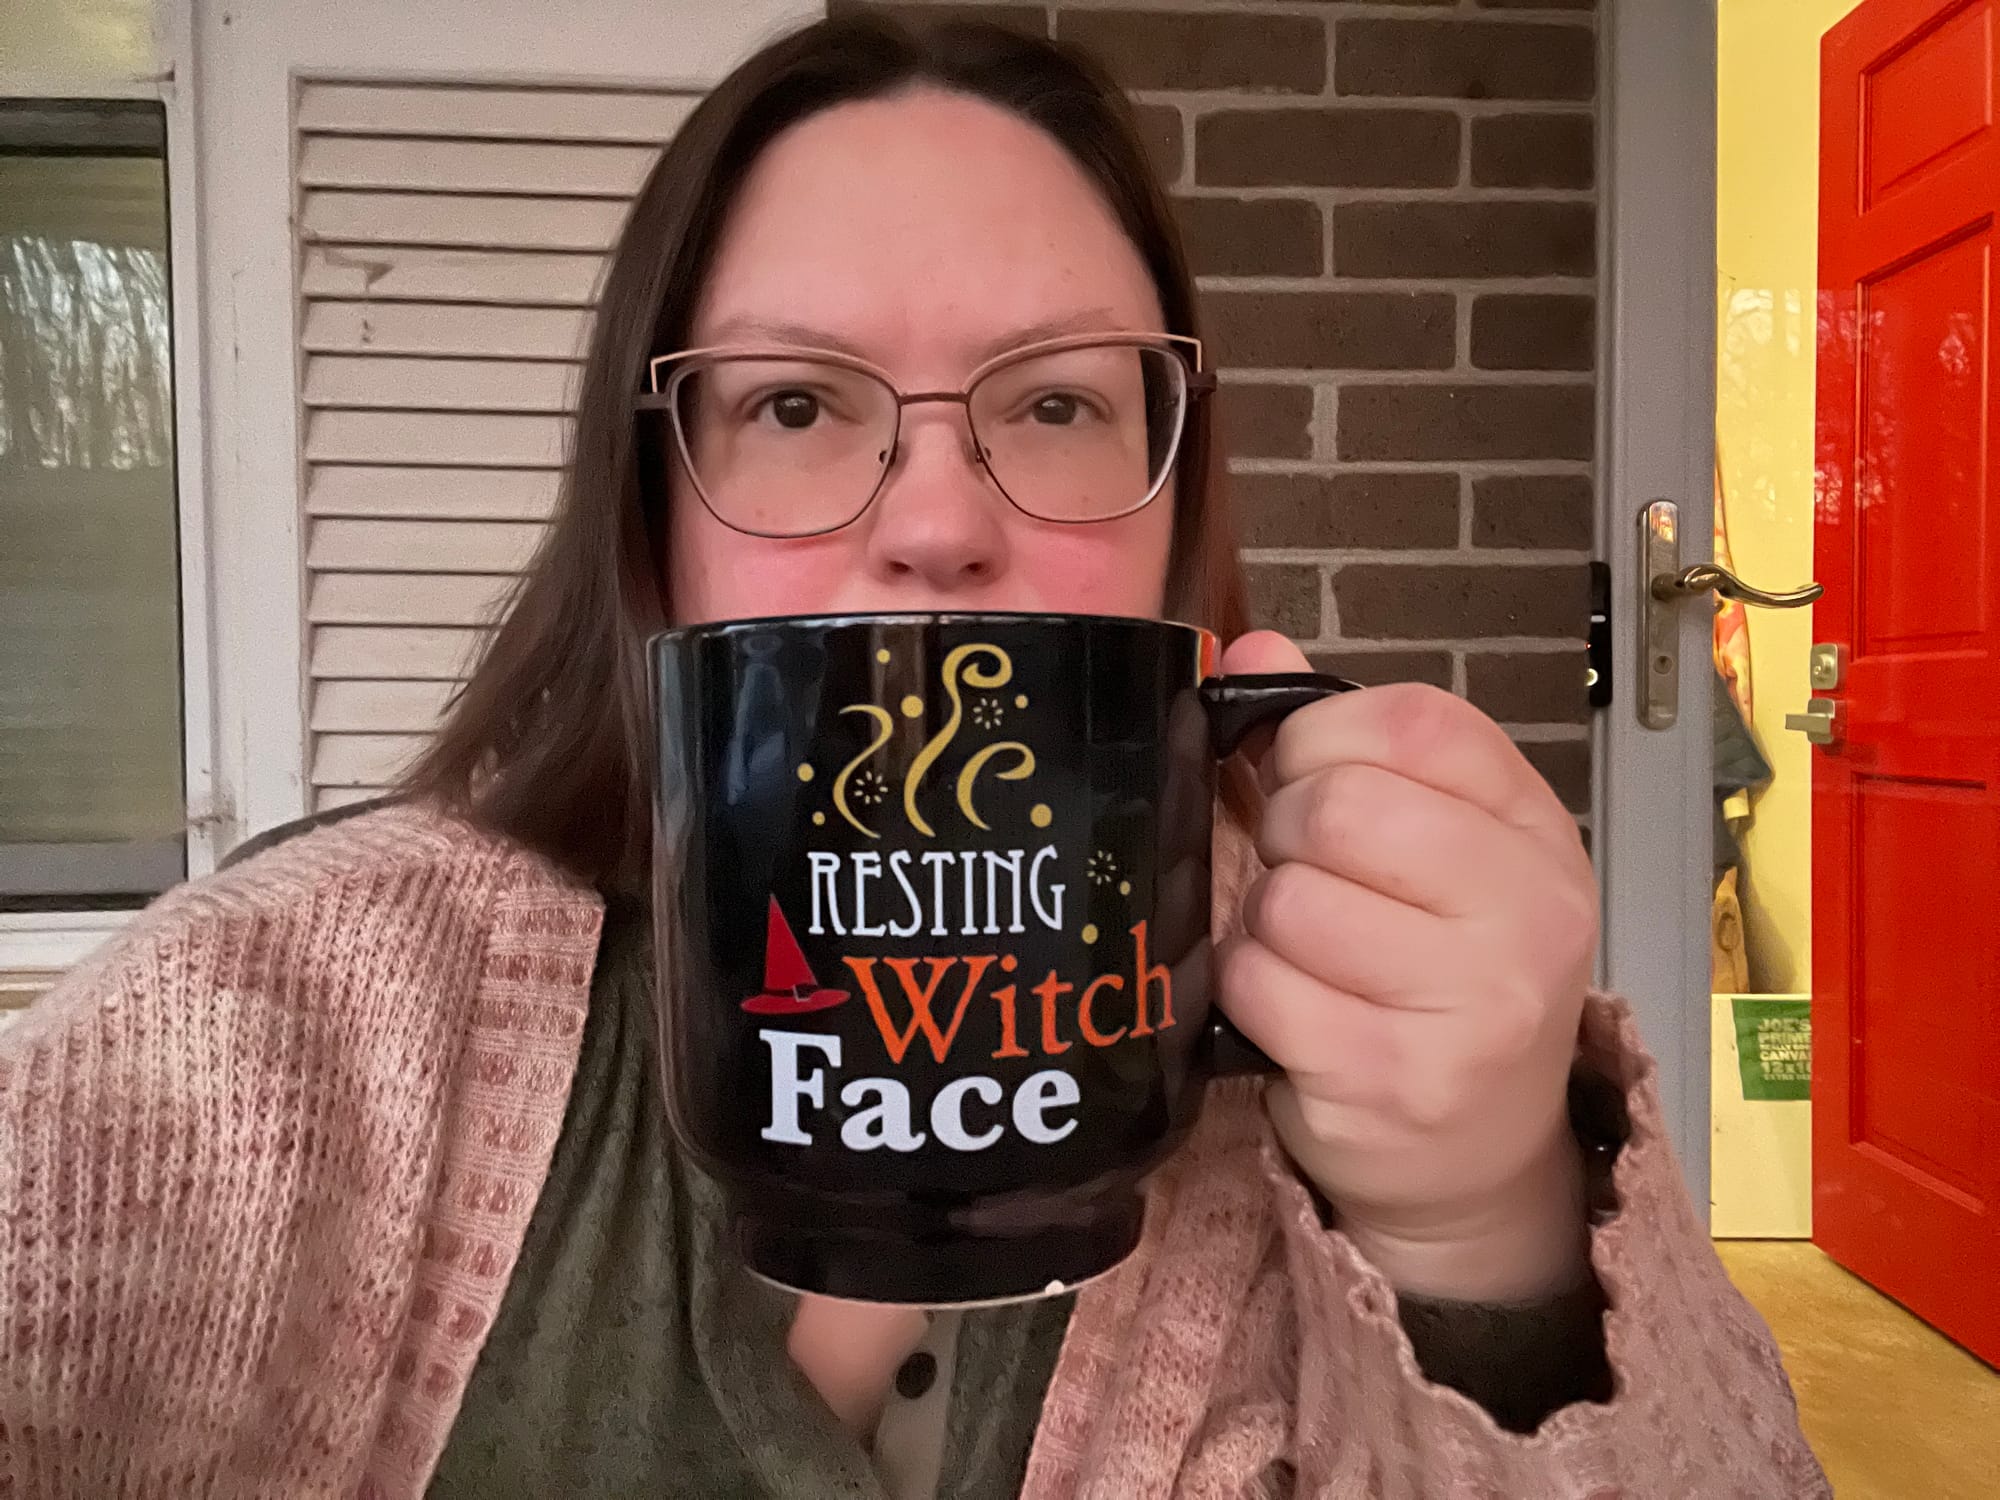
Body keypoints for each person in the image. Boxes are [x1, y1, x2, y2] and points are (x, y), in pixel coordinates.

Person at [0, 17, 1827, 1498]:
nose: (938, 522)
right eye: (797, 405)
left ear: (1178, 517)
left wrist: (1487, 1222)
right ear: (658, 522)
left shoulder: (1360, 1045)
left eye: (1055, 402)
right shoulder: (266, 1039)